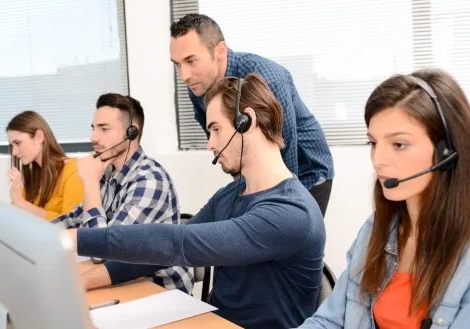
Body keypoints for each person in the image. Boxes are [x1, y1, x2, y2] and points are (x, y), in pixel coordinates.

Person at [68, 75, 326, 329]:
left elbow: (180, 244)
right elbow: (159, 252)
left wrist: (73, 239)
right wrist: (80, 282)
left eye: (215, 129)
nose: (210, 144)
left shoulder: (292, 212)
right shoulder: (230, 194)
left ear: (247, 121)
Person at [299, 69, 470, 329]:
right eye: (373, 143)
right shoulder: (376, 229)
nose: (378, 159)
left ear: (447, 152)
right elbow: (330, 321)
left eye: (398, 144)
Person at [170, 13, 334, 216]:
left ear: (220, 50)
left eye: (191, 61)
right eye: (177, 64)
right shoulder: (198, 86)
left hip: (306, 168)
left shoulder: (269, 80)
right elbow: (227, 147)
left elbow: (284, 153)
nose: (184, 75)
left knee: (290, 236)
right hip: (259, 173)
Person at [52, 93, 194, 294]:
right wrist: (33, 237)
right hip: (126, 284)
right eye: (93, 128)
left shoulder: (150, 180)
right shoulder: (106, 173)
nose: (93, 137)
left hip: (160, 292)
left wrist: (90, 182)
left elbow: (104, 252)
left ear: (131, 132)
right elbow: (73, 220)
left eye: (104, 128)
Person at [0, 110, 83, 226]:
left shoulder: (74, 171)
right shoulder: (35, 174)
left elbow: (71, 225)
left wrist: (21, 203)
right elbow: (13, 210)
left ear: (39, 137)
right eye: (12, 145)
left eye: (18, 143)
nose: (14, 152)